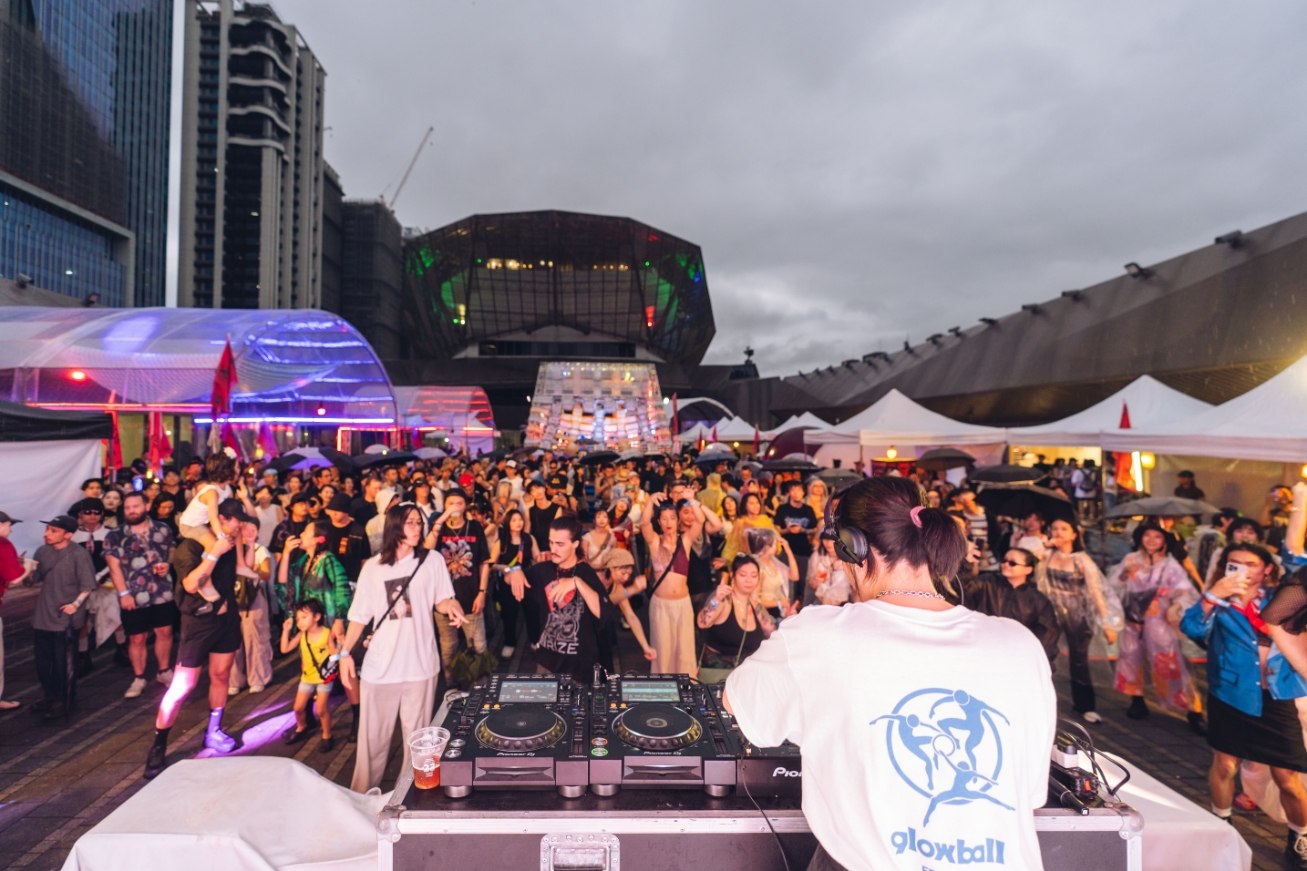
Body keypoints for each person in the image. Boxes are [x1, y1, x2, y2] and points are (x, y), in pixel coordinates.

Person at [722, 476, 1055, 871]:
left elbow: (737, 702)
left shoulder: (815, 636)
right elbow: (1029, 793)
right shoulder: (1020, 644)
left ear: (854, 547)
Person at [1181, 543, 1307, 865]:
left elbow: (1297, 561)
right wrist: (1212, 596)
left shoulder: (1280, 598)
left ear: (1267, 568)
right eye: (1233, 563)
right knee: (1225, 765)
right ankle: (1221, 825)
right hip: (1231, 695)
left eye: (1250, 564)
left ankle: (1300, 837)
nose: (1242, 570)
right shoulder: (1218, 603)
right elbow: (1191, 629)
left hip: (1277, 696)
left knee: (1288, 778)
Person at [338, 502, 466, 793]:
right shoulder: (373, 568)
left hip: (420, 666)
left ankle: (406, 799)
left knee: (417, 743)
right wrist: (345, 653)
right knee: (371, 742)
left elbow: (441, 600)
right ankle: (362, 799)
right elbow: (359, 616)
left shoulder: (432, 560)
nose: (417, 528)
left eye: (419, 523)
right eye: (410, 523)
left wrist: (452, 605)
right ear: (395, 526)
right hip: (380, 668)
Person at [145, 499, 255, 778]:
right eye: (236, 520)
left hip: (226, 621)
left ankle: (213, 731)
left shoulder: (232, 541)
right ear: (219, 518)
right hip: (198, 623)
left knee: (221, 675)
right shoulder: (190, 547)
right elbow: (191, 584)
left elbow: (243, 568)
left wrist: (250, 543)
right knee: (183, 686)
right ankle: (159, 743)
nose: (239, 526)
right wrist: (214, 552)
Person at [1108, 523, 1203, 728]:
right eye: (1147, 535)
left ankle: (1192, 709)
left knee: (1169, 662)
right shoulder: (1131, 559)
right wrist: (1125, 572)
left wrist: (1175, 606)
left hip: (1160, 620)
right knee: (1131, 660)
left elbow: (1186, 593)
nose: (1151, 540)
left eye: (1157, 536)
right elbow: (1114, 584)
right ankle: (1137, 700)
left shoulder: (1170, 565)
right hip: (1133, 619)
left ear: (1165, 541)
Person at [510, 515, 612, 682]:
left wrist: (577, 582)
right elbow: (511, 579)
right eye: (551, 543)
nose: (553, 549)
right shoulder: (543, 570)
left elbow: (605, 613)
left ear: (575, 544)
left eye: (560, 544)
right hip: (547, 663)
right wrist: (514, 571)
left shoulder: (586, 573)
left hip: (579, 668)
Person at [1043, 518, 1118, 724]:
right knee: (1045, 654)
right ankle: (1044, 701)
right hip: (1051, 612)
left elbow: (1096, 592)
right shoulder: (1046, 554)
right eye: (1054, 528)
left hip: (1078, 615)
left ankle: (1085, 706)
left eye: (1064, 529)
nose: (1058, 532)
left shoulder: (1081, 560)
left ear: (1074, 534)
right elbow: (1028, 562)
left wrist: (1107, 623)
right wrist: (1045, 546)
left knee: (1079, 659)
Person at [105, 491, 177, 700]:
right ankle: (139, 677)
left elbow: (172, 549)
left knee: (165, 632)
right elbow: (113, 567)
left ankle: (164, 671)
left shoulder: (163, 528)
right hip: (133, 594)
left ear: (147, 506)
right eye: (127, 507)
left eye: (135, 506)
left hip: (162, 591)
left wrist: (168, 563)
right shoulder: (115, 535)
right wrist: (124, 594)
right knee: (137, 637)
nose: (131, 511)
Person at [30, 515, 97, 721]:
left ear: (68, 535)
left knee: (63, 662)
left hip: (65, 618)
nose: (47, 534)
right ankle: (50, 695)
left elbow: (88, 585)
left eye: (53, 531)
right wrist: (26, 569)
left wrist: (75, 605)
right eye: (47, 529)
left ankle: (65, 700)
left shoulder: (79, 554)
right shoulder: (42, 551)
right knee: (43, 661)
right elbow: (34, 579)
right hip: (43, 615)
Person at [424, 489, 491, 677]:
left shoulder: (475, 527)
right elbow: (425, 553)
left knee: (478, 644)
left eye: (459, 503)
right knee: (448, 645)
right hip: (443, 599)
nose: (455, 507)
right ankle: (451, 682)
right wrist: (441, 520)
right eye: (450, 503)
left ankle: (480, 683)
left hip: (471, 595)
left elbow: (483, 562)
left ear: (465, 505)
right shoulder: (438, 529)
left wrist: (482, 593)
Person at [958, 546, 1060, 665]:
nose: (1006, 564)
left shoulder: (1038, 600)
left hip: (1016, 658)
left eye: (1012, 563)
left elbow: (1047, 637)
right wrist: (966, 566)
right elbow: (962, 590)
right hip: (982, 649)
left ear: (1028, 569)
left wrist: (1037, 664)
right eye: (1004, 560)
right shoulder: (987, 582)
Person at [640, 494, 707, 675]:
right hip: (661, 604)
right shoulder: (655, 542)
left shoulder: (685, 541)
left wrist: (692, 500)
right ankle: (662, 686)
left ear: (678, 520)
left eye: (672, 518)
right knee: (662, 649)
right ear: (659, 522)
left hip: (683, 604)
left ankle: (686, 686)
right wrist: (650, 501)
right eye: (664, 518)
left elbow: (700, 521)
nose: (668, 522)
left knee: (684, 650)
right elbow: (644, 524)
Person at [696, 555, 776, 680]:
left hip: (746, 676)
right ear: (732, 576)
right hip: (717, 675)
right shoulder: (723, 600)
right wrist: (716, 599)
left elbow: (773, 635)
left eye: (754, 576)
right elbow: (702, 623)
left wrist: (790, 619)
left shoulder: (756, 607)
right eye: (743, 575)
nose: (749, 580)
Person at [279, 598, 338, 752]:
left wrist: (340, 651)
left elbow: (333, 651)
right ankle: (301, 727)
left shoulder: (326, 633)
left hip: (324, 679)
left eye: (304, 617)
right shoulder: (302, 635)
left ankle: (327, 735)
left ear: (317, 617)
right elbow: (285, 649)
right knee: (298, 708)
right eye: (298, 619)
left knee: (321, 710)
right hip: (307, 678)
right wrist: (286, 630)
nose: (300, 622)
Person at [228, 517, 273, 696]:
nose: (248, 531)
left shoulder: (260, 550)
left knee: (256, 639)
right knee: (232, 641)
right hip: (232, 597)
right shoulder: (229, 547)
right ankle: (234, 680)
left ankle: (258, 678)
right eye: (245, 527)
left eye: (252, 528)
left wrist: (252, 570)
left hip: (253, 597)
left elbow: (267, 575)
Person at [490, 508, 537, 659]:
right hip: (507, 582)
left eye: (520, 519)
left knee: (532, 612)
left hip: (527, 579)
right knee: (509, 613)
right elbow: (490, 564)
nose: (518, 523)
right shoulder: (501, 542)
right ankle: (509, 642)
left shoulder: (529, 539)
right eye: (514, 520)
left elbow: (537, 557)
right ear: (508, 523)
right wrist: (501, 567)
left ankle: (535, 641)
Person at [597, 548, 657, 665]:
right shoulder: (594, 579)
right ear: (611, 567)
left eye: (628, 574)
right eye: (623, 573)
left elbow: (631, 616)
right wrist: (632, 590)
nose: (625, 578)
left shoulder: (617, 586)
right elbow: (601, 602)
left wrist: (645, 646)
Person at [0, 511, 31, 709]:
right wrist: (28, 566)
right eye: (8, 526)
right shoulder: (3, 544)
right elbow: (15, 577)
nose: (10, 531)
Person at [176, 449, 239, 544]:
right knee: (213, 545)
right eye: (237, 467)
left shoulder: (227, 488)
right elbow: (213, 517)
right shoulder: (212, 492)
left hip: (204, 524)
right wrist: (221, 536)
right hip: (190, 525)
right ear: (226, 471)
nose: (239, 470)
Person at [774, 481, 819, 606]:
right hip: (786, 551)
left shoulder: (808, 510)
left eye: (799, 490)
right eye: (793, 490)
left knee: (804, 581)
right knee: (787, 582)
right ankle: (788, 607)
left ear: (803, 492)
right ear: (789, 493)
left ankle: (804, 607)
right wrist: (787, 530)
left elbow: (815, 529)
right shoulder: (782, 509)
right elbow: (776, 529)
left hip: (804, 550)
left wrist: (803, 530)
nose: (796, 493)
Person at [747, 526, 799, 618]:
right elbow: (753, 600)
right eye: (775, 544)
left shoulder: (773, 561)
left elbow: (794, 576)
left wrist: (788, 550)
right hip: (766, 613)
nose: (777, 547)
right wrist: (778, 602)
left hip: (780, 609)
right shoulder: (758, 567)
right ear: (767, 548)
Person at [807, 536, 854, 606]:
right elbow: (810, 583)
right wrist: (813, 582)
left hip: (844, 604)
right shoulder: (817, 556)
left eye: (833, 539)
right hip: (820, 603)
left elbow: (855, 588)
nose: (828, 543)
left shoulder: (849, 559)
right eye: (825, 538)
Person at [252, 485, 284, 549]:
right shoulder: (254, 510)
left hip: (273, 546)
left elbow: (282, 528)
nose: (263, 495)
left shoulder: (277, 508)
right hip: (259, 546)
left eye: (266, 493)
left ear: (271, 497)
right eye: (261, 493)